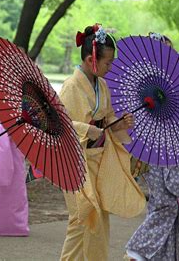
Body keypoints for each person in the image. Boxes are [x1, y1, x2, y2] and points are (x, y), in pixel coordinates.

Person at [59, 24, 146, 261]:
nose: (111, 67)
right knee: (81, 218)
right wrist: (89, 129)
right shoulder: (71, 86)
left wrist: (119, 123)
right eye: (108, 62)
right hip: (75, 161)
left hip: (97, 159)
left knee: (98, 219)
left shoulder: (102, 85)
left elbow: (106, 119)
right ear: (90, 59)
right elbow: (61, 126)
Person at [125, 33, 179, 261]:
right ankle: (137, 251)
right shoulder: (142, 84)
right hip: (151, 149)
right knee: (165, 205)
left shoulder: (172, 85)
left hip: (169, 149)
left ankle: (162, 256)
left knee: (167, 206)